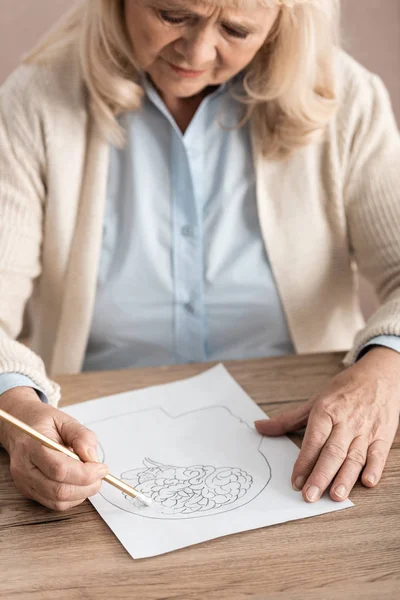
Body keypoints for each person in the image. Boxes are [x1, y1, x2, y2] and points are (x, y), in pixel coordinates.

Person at [0, 0, 399, 513]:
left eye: (235, 29)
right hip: (91, 449)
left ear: (281, 22)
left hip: (303, 439)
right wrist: (15, 409)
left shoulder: (348, 97)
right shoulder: (35, 99)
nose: (198, 51)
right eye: (172, 14)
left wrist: (384, 371)